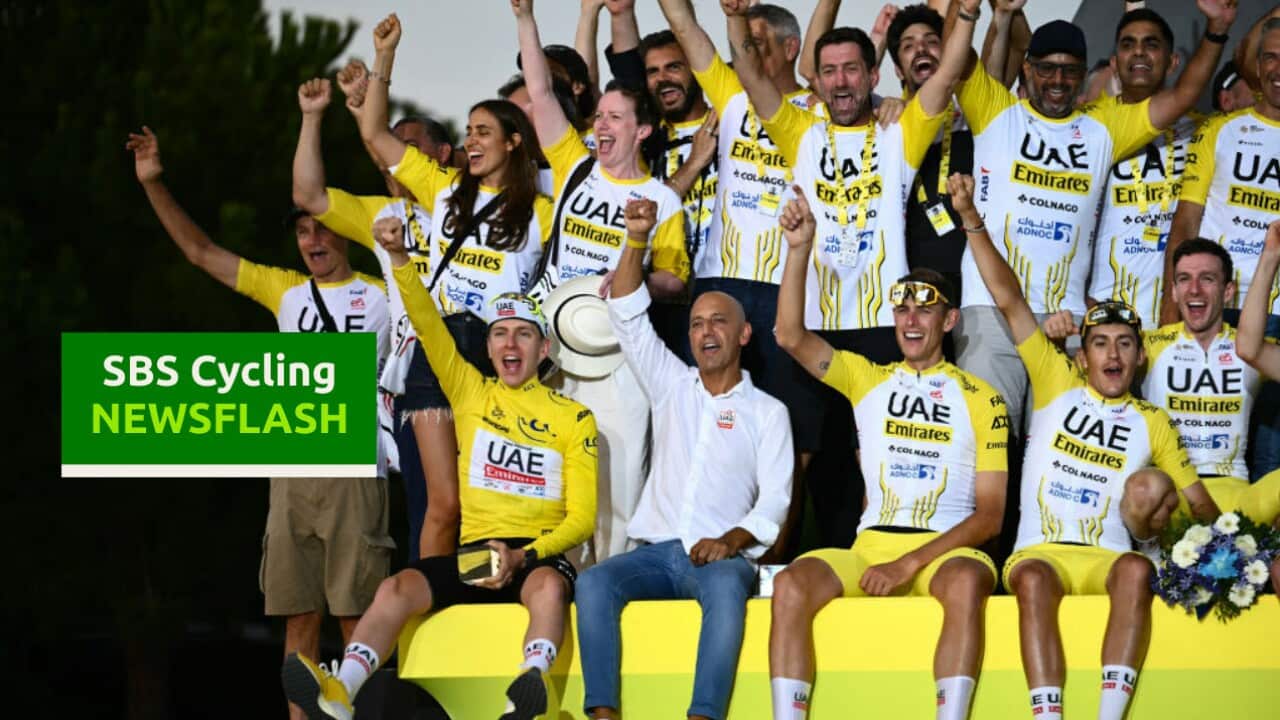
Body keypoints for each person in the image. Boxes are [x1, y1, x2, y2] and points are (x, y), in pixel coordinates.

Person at [282, 216, 598, 720]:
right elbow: (427, 322)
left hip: (535, 557)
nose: (510, 345)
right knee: (397, 587)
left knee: (548, 587)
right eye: (499, 335)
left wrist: (525, 554)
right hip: (480, 561)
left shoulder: (575, 416)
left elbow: (582, 518)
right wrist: (401, 261)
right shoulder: (469, 392)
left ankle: (530, 688)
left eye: (522, 335)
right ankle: (340, 692)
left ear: (544, 349)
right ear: (489, 348)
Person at [126, 126, 393, 720]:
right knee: (298, 617)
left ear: (346, 234)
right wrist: (154, 183)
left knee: (358, 617)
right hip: (292, 463)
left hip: (356, 463)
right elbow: (199, 253)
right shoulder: (286, 292)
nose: (313, 240)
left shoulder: (382, 295)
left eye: (323, 228)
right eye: (302, 231)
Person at [955, 170, 1219, 720]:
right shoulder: (1054, 380)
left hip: (1110, 557)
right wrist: (973, 221)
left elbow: (1199, 505)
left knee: (1137, 569)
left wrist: (1241, 560)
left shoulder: (1152, 420)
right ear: (1082, 355)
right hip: (1043, 552)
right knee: (1030, 578)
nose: (1113, 354)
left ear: (1140, 357)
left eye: (1125, 343)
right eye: (1100, 343)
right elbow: (1007, 299)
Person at [725, 0, 972, 549]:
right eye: (829, 70)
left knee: (876, 457)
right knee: (797, 461)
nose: (840, 80)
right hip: (812, 326)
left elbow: (950, 69)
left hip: (883, 325)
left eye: (851, 69)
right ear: (817, 78)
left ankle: (871, 561)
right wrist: (736, 19)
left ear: (872, 75)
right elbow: (748, 72)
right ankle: (770, 567)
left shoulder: (901, 132)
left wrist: (969, 13)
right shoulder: (798, 131)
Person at [769, 188, 1008, 720]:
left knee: (971, 580)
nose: (911, 320)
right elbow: (789, 335)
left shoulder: (982, 398)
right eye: (902, 309)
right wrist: (799, 249)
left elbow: (990, 517)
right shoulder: (866, 379)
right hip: (870, 547)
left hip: (942, 553)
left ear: (948, 321)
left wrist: (909, 563)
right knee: (790, 583)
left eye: (925, 310)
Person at [950, 0, 1237, 438]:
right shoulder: (994, 108)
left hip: (1064, 319)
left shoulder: (1104, 126)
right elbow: (956, 56)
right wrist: (969, 11)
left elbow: (1180, 97)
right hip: (989, 308)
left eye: (1070, 70)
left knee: (1055, 443)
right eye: (1047, 68)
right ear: (1026, 69)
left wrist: (1216, 29)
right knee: (984, 443)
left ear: (1085, 74)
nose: (1059, 81)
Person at [573, 197, 793, 720]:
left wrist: (731, 541)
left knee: (726, 591)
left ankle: (703, 715)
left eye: (718, 322)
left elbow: (778, 498)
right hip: (659, 550)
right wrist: (637, 237)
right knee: (593, 581)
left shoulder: (768, 411)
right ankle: (602, 713)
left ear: (742, 334)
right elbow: (626, 313)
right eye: (696, 324)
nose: (705, 332)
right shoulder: (672, 386)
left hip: (723, 558)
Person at [350, 15, 557, 560]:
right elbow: (374, 134)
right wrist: (384, 56)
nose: (471, 140)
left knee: (491, 500)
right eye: (467, 131)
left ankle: (493, 610)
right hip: (437, 352)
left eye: (483, 131)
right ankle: (431, 623)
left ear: (515, 143)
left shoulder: (542, 211)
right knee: (441, 504)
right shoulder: (443, 189)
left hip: (500, 357)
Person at [515, 0, 690, 565]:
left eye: (614, 118)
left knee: (617, 480)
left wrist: (632, 275)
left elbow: (672, 281)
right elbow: (541, 96)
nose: (601, 125)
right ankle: (554, 579)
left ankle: (614, 581)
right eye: (600, 116)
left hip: (620, 356)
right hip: (554, 346)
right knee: (554, 478)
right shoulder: (576, 163)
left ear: (641, 130)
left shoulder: (664, 200)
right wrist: (525, 19)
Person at [656, 0, 826, 555]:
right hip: (721, 284)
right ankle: (690, 544)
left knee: (791, 441)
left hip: (789, 290)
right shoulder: (730, 94)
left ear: (789, 48)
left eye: (755, 42)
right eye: (741, 43)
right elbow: (684, 24)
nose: (743, 52)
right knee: (703, 422)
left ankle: (773, 562)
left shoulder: (819, 107)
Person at [291, 76, 440, 562]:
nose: (396, 156)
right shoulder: (381, 213)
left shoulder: (471, 207)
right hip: (416, 382)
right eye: (390, 147)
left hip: (475, 371)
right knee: (428, 508)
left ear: (440, 156)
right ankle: (432, 610)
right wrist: (314, 117)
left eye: (410, 147)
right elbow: (309, 195)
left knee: (470, 502)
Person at [1164, 16, 1280, 478]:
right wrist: (1170, 316)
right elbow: (1186, 223)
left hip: (1279, 316)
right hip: (1219, 308)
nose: (1278, 68)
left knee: (1271, 459)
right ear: (1256, 65)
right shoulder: (1221, 130)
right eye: (1270, 57)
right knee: (1207, 451)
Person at [1088, 9, 1202, 330]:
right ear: (1114, 63)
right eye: (1128, 44)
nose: (1138, 51)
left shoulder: (1203, 130)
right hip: (1102, 308)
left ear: (1172, 62)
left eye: (1151, 44)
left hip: (1177, 313)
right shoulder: (1088, 126)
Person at [638, 28, 721, 359]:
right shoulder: (643, 141)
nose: (663, 79)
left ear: (696, 70)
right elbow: (643, 212)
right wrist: (695, 163)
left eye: (673, 67)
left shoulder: (730, 124)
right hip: (662, 305)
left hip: (724, 296)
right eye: (653, 72)